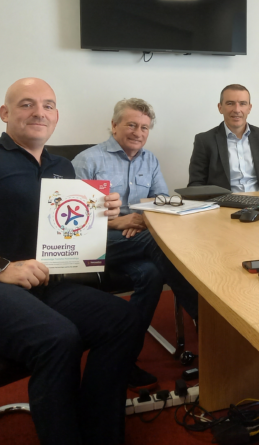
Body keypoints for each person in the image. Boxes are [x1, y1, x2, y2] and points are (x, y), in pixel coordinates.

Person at [0, 78, 142, 445]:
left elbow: (68, 238)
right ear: (5, 113)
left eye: (48, 105)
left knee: (123, 318)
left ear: (56, 117)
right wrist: (1, 267)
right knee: (58, 337)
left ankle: (100, 431)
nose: (39, 112)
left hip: (37, 281)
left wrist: (103, 215)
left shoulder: (63, 168)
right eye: (26, 104)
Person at [72, 98, 199, 387]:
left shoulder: (149, 160)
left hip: (138, 236)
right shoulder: (87, 160)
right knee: (157, 243)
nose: (138, 132)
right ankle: (204, 317)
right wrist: (120, 222)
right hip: (94, 241)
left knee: (152, 274)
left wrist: (140, 220)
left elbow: (161, 203)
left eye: (144, 127)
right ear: (114, 125)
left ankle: (123, 359)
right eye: (131, 124)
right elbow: (73, 218)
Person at [188, 84, 259, 191]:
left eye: (242, 104)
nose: (237, 110)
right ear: (220, 107)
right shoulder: (204, 140)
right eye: (230, 103)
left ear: (249, 108)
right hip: (224, 204)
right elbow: (196, 184)